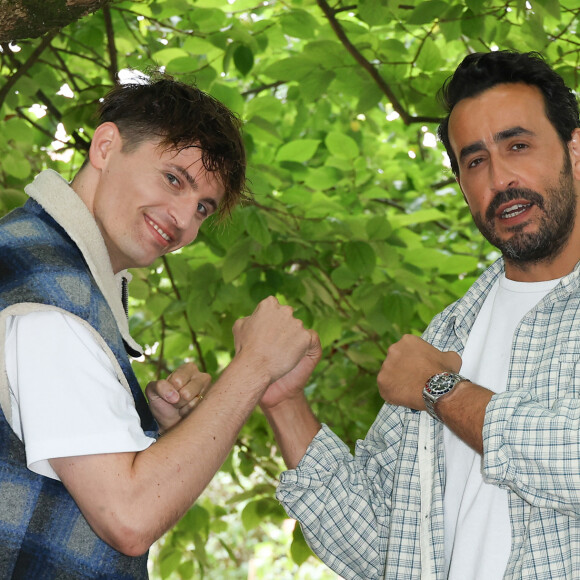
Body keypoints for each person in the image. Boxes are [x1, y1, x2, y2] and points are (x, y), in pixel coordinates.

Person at [259, 50, 580, 579]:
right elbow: (382, 547)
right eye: (475, 161)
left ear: (574, 148)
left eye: (518, 145)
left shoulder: (429, 369)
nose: (500, 179)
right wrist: (283, 400)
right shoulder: (450, 332)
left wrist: (440, 390)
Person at [0, 76, 319, 579]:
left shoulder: (51, 270)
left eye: (202, 209)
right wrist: (254, 366)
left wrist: (160, 434)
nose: (184, 224)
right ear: (106, 146)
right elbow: (129, 516)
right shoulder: (52, 298)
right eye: (174, 179)